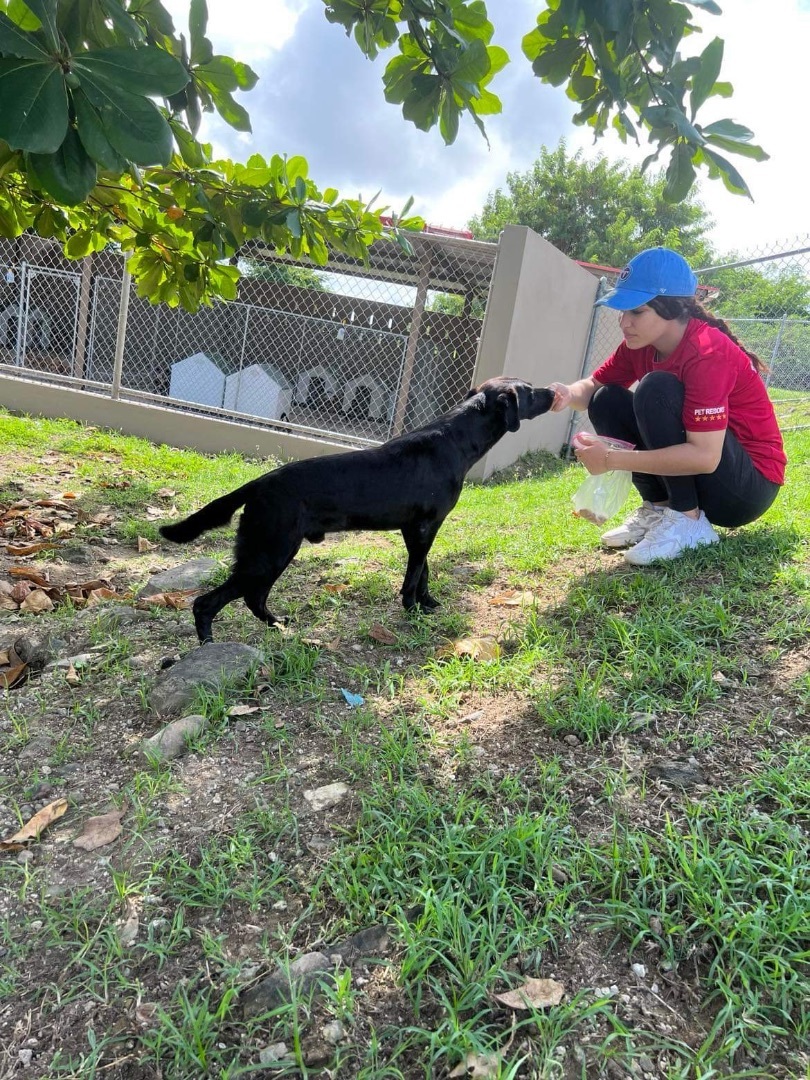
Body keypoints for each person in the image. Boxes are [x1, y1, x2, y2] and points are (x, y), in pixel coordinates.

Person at [550, 246, 786, 566]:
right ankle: (659, 509)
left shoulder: (708, 351)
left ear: (672, 309)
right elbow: (591, 387)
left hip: (746, 490)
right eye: (623, 311)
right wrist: (564, 393)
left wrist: (610, 459)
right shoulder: (639, 345)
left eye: (637, 311)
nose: (624, 322)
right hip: (713, 472)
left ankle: (687, 521)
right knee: (606, 398)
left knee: (656, 388)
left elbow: (705, 456)